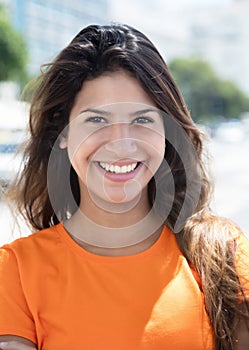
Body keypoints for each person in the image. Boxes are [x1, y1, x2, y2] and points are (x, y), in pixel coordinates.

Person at [0, 23, 248, 350]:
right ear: (62, 131)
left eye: (142, 120)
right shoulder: (15, 272)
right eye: (97, 120)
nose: (121, 144)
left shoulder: (220, 253)